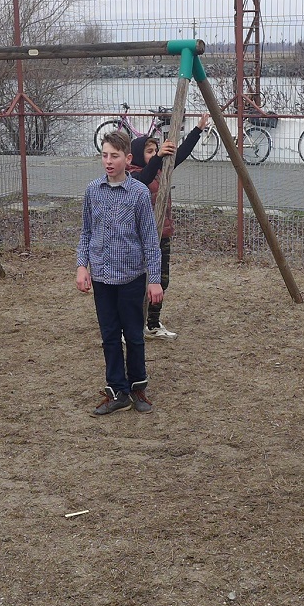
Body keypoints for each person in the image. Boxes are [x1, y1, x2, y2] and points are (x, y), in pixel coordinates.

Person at [77, 128, 164, 415]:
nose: (108, 161)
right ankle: (117, 391)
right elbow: (86, 233)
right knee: (109, 335)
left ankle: (138, 387)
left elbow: (151, 239)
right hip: (102, 276)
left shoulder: (139, 194)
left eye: (114, 156)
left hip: (131, 277)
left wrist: (154, 279)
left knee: (134, 335)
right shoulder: (92, 191)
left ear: (127, 159)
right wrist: (82, 266)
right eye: (104, 155)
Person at [128, 113, 210, 339]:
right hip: (139, 238)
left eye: (155, 150)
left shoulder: (160, 170)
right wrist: (158, 157)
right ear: (136, 154)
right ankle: (130, 326)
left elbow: (180, 155)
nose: (154, 155)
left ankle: (153, 324)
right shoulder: (132, 176)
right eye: (149, 151)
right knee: (136, 283)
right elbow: (144, 178)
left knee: (162, 281)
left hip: (161, 235)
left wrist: (197, 130)